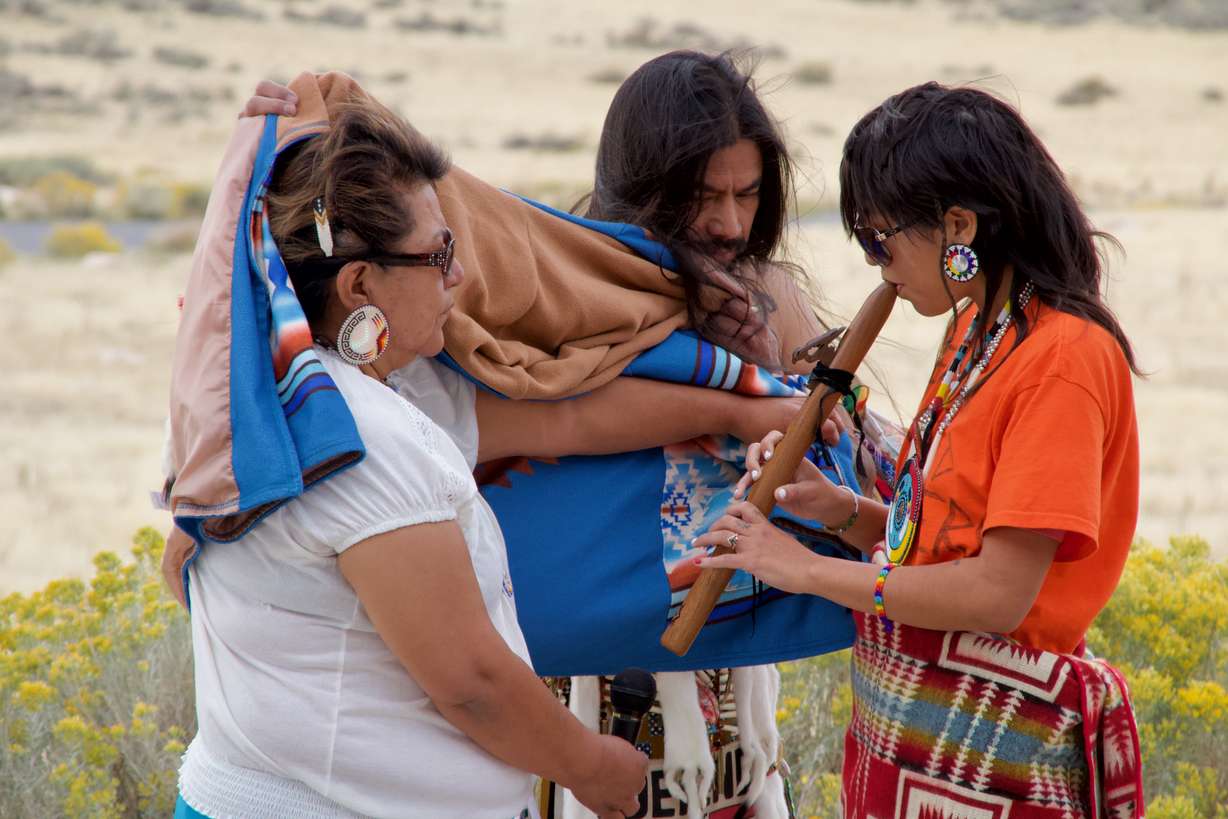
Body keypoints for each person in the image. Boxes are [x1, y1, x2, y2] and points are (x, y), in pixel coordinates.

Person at [167, 88, 811, 819]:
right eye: (438, 255)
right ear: (359, 285)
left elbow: (561, 419)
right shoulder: (361, 443)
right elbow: (470, 679)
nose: (461, 277)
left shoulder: (256, 402)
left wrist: (744, 409)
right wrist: (589, 763)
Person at [694, 82, 1144, 819]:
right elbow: (946, 547)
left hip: (996, 752)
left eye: (881, 240)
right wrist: (843, 513)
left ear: (958, 225)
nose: (880, 267)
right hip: (915, 738)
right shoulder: (980, 329)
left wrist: (806, 570)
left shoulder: (1063, 359)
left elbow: (997, 595)